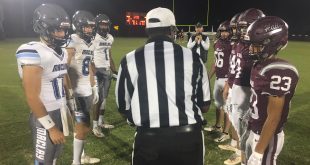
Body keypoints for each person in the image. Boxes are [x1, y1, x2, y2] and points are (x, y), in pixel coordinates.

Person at [115, 7, 211, 165]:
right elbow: (205, 105)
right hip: (188, 138)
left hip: (148, 139)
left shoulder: (130, 59)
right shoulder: (192, 57)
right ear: (172, 30)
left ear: (147, 30)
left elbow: (123, 108)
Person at [15, 4, 71, 164]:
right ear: (43, 27)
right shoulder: (33, 51)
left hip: (59, 109)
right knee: (43, 160)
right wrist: (51, 127)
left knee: (54, 155)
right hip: (44, 114)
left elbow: (62, 77)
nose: (62, 34)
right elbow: (31, 95)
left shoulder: (63, 51)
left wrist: (68, 103)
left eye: (64, 30)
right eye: (57, 30)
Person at [245, 16, 299, 165]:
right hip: (255, 129)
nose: (250, 49)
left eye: (255, 45)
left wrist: (258, 153)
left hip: (267, 137)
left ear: (271, 43)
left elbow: (274, 117)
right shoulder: (260, 65)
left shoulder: (278, 71)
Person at [229, 8, 265, 165]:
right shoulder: (241, 44)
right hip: (238, 86)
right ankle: (241, 153)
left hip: (247, 90)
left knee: (248, 128)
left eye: (245, 27)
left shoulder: (257, 48)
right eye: (241, 27)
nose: (242, 31)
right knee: (239, 124)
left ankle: (245, 156)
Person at [66, 10, 100, 165]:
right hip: (77, 92)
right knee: (83, 127)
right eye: (86, 27)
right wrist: (69, 92)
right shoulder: (71, 41)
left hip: (86, 89)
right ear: (78, 26)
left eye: (91, 27)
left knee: (81, 127)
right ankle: (76, 162)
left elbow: (90, 66)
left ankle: (81, 156)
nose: (89, 30)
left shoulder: (91, 43)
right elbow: (63, 68)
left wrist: (95, 86)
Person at [205, 20, 232, 144]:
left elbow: (235, 64)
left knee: (227, 107)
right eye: (222, 31)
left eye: (226, 31)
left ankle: (226, 133)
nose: (224, 33)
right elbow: (216, 63)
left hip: (228, 79)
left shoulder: (233, 45)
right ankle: (217, 126)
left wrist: (230, 81)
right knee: (218, 105)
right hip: (218, 78)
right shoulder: (216, 43)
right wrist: (208, 76)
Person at [91, 13, 117, 138]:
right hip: (97, 70)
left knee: (104, 98)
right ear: (97, 25)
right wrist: (93, 72)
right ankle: (95, 126)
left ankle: (101, 122)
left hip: (106, 70)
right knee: (98, 98)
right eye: (102, 24)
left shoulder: (110, 37)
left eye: (106, 24)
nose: (105, 27)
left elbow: (109, 55)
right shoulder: (93, 38)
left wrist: (115, 70)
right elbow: (89, 57)